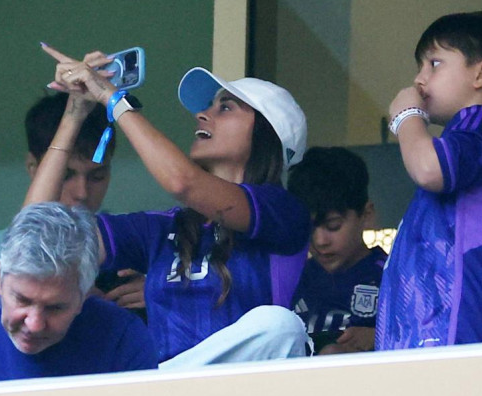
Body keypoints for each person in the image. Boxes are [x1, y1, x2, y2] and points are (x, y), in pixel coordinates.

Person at [28, 45, 311, 367]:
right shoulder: (162, 227)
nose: (202, 114)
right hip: (168, 391)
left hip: (246, 389)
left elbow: (183, 183)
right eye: (208, 107)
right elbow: (36, 236)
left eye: (226, 108)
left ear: (267, 134)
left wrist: (113, 99)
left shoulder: (284, 211)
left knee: (279, 326)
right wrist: (74, 112)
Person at [376, 11, 482, 349]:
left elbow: (428, 169)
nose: (419, 80)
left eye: (434, 64)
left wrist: (407, 118)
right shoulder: (474, 133)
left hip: (459, 335)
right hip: (438, 340)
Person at [0, 202, 157, 387]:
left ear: (84, 295)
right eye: (22, 300)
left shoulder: (123, 336)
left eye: (55, 307)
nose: (34, 324)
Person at [0, 92, 146, 315]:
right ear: (33, 168)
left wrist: (162, 292)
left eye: (97, 177)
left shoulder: (136, 249)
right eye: (66, 175)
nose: (82, 193)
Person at [287, 146, 387, 354]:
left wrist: (378, 336)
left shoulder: (390, 277)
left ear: (367, 215)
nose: (320, 240)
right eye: (309, 227)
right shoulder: (294, 277)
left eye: (333, 225)